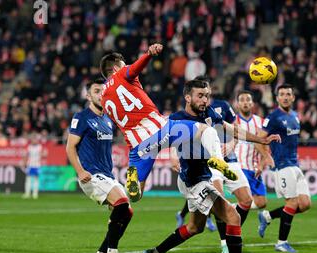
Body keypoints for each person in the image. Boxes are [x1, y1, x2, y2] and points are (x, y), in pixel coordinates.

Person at [143, 79, 280, 253]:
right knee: (233, 217)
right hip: (193, 180)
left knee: (194, 227)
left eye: (207, 95)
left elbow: (230, 129)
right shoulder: (176, 120)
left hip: (204, 176)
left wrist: (261, 139)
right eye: (200, 95)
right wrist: (145, 173)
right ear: (187, 97)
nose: (205, 99)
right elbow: (153, 146)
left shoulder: (208, 113)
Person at [99, 43, 236, 203]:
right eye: (123, 64)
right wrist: (149, 54)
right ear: (116, 67)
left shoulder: (103, 98)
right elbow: (135, 68)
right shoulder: (122, 73)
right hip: (160, 130)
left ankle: (132, 177)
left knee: (135, 196)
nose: (125, 65)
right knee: (205, 129)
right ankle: (216, 160)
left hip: (138, 146)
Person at [66, 78, 132, 253]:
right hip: (91, 175)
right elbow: (70, 147)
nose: (101, 94)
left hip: (106, 175)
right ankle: (112, 252)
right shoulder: (82, 117)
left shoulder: (107, 119)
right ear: (88, 96)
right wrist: (80, 171)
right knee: (122, 203)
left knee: (126, 213)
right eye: (96, 91)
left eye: (103, 91)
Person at [258, 84, 312, 253]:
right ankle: (281, 243)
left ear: (293, 97)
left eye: (288, 94)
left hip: (295, 164)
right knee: (292, 202)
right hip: (282, 164)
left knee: (304, 204)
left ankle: (267, 216)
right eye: (282, 94)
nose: (285, 97)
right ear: (277, 98)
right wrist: (267, 156)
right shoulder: (273, 117)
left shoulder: (295, 116)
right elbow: (259, 139)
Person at [233, 90, 275, 237]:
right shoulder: (233, 122)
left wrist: (262, 164)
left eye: (248, 99)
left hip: (255, 168)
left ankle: (229, 209)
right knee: (245, 200)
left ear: (252, 103)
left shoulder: (260, 122)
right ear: (237, 104)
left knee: (262, 202)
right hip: (240, 166)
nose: (245, 102)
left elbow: (265, 146)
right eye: (242, 100)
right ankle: (232, 234)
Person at [21, 133, 46, 199]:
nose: (34, 140)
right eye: (33, 139)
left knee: (36, 179)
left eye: (35, 139)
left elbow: (43, 155)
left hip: (37, 165)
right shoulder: (29, 147)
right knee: (28, 179)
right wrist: (24, 163)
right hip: (30, 165)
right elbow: (26, 155)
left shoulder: (39, 147)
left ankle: (35, 194)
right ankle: (27, 193)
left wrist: (44, 155)